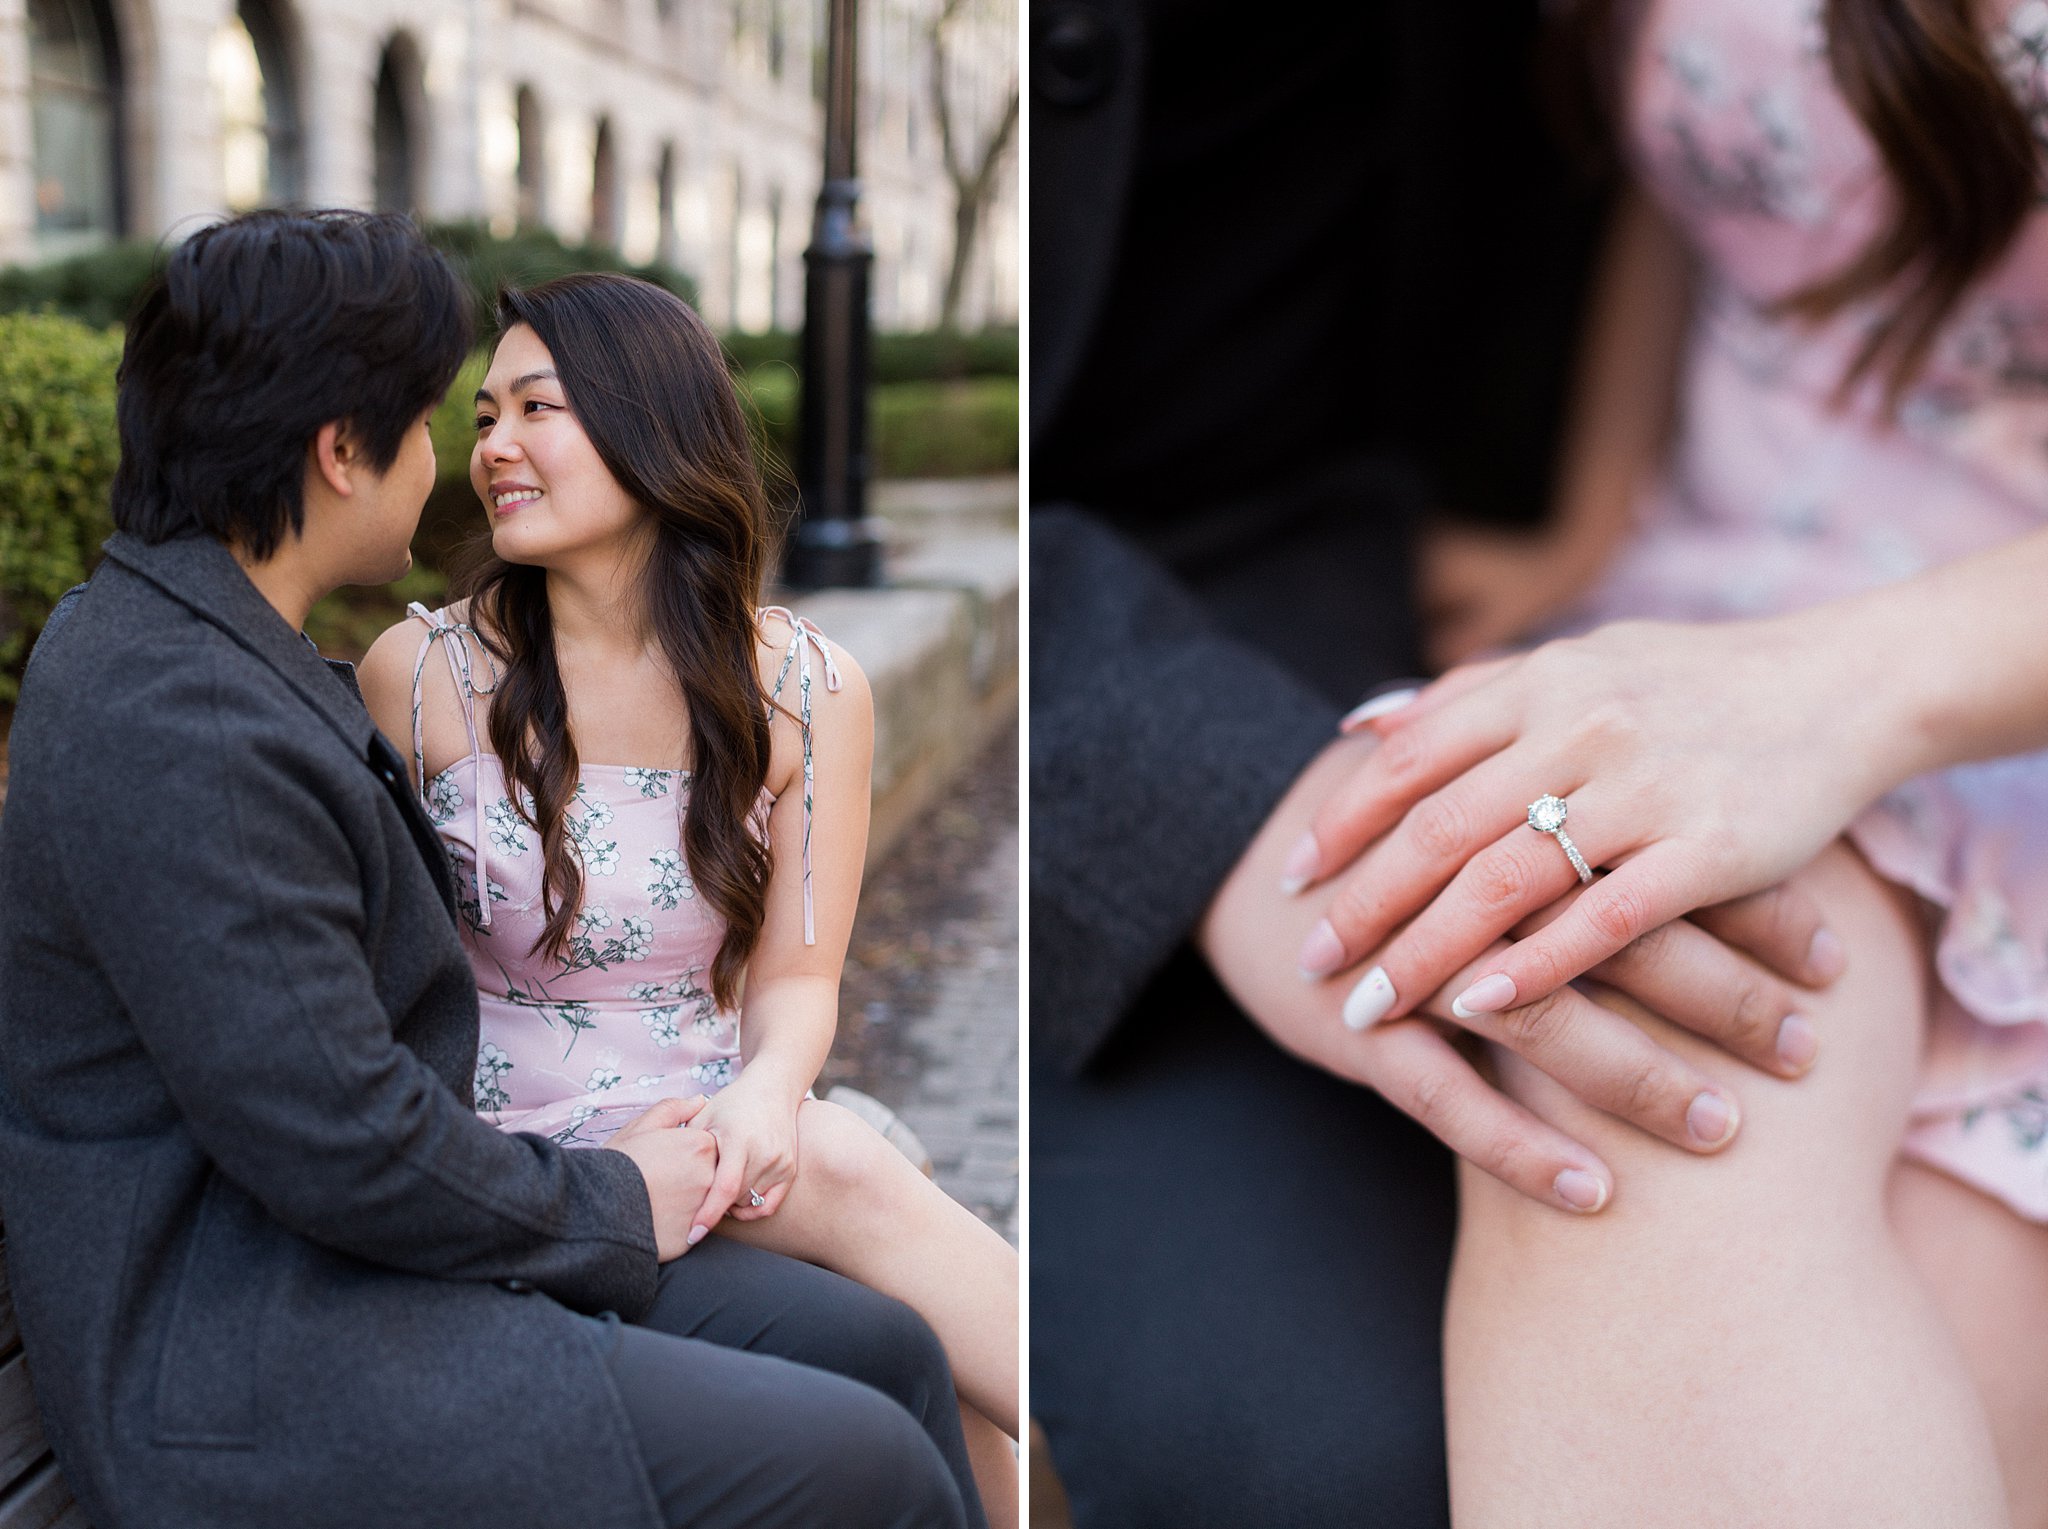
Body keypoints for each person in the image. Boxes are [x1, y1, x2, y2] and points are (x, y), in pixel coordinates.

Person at [0, 208, 976, 1529]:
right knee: (862, 1465)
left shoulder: (206, 657)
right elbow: (341, 1140)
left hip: (356, 1258)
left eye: (530, 410)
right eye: (437, 420)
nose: (459, 462)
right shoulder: (187, 715)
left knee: (892, 1351)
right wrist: (620, 1194)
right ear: (342, 452)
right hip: (262, 1348)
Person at [1028, 2, 1844, 1523]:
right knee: (1327, 1447)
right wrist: (1207, 790)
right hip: (1077, 647)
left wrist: (1600, 505)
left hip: (1396, 552)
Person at [1272, 0, 2048, 1520]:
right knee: (1623, 1035)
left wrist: (1828, 692)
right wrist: (1594, 508)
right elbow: (1697, 194)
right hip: (1696, 608)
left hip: (1988, 671)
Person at [354, 271, 1021, 1526]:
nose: (491, 445)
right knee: (869, 1182)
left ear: (649, 424)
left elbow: (796, 982)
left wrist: (766, 1091)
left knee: (879, 1232)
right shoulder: (422, 673)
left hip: (710, 1127)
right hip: (515, 1162)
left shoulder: (810, 688)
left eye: (533, 409)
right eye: (483, 414)